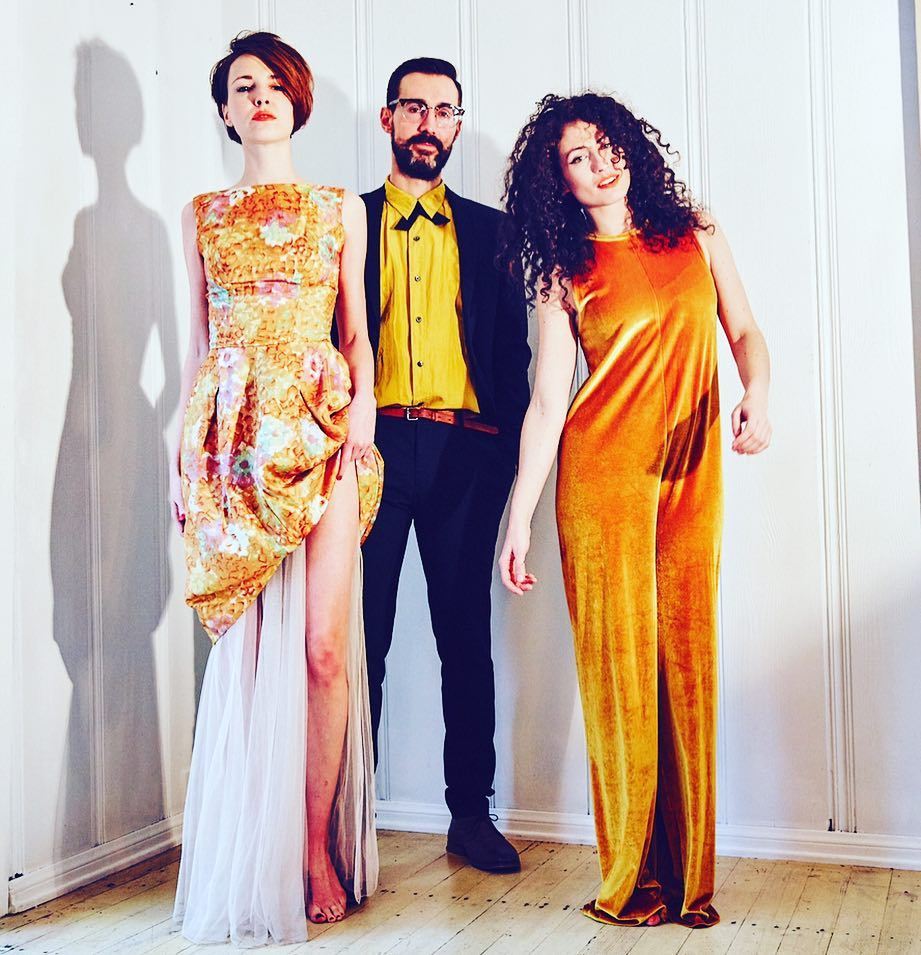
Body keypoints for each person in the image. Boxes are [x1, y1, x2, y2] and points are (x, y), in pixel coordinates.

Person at [499, 92, 771, 928]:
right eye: (576, 157)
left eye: (605, 144)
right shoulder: (562, 269)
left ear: (631, 148)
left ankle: (689, 882)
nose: (598, 163)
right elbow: (549, 401)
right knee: (618, 676)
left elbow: (744, 331)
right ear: (560, 182)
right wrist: (519, 516)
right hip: (601, 479)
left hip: (690, 476)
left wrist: (757, 394)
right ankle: (631, 882)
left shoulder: (696, 231)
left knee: (686, 661)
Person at [168, 31, 383, 944]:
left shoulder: (339, 207)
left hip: (324, 427)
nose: (260, 97)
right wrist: (181, 449)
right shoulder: (201, 212)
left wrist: (362, 420)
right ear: (225, 110)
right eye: (242, 87)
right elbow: (196, 341)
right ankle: (255, 846)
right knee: (250, 656)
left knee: (324, 649)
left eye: (274, 85)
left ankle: (313, 846)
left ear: (298, 102)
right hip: (228, 437)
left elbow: (356, 332)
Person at [358, 57, 531, 872]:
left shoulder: (496, 232)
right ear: (388, 118)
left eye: (443, 110)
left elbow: (512, 357)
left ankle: (471, 814)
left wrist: (505, 457)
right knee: (360, 640)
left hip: (467, 452)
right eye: (413, 107)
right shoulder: (346, 222)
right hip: (370, 452)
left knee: (464, 639)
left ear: (457, 124)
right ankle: (347, 819)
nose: (428, 123)